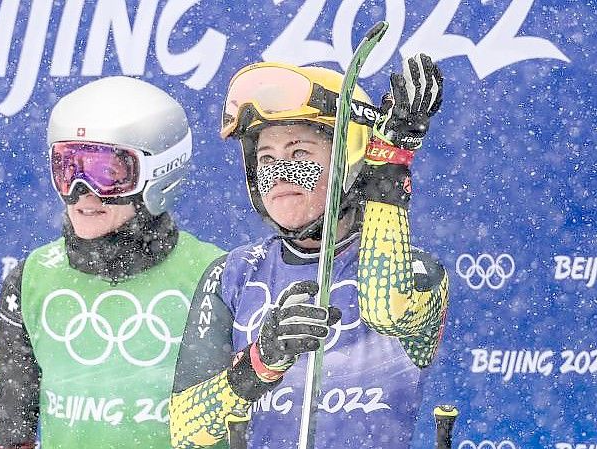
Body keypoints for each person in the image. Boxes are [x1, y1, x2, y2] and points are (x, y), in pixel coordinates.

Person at [169, 54, 450, 449]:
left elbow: (389, 308)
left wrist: (390, 161)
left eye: (300, 154)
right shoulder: (233, 272)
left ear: (350, 159)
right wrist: (261, 361)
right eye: (267, 158)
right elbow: (185, 430)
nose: (279, 172)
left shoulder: (415, 270)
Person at [0, 76, 224, 449]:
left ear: (160, 174)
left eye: (108, 174)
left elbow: (254, 418)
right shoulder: (31, 278)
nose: (82, 193)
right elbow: (11, 433)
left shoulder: (217, 275)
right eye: (68, 169)